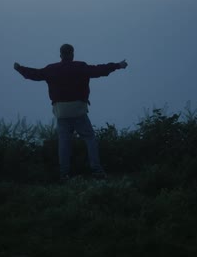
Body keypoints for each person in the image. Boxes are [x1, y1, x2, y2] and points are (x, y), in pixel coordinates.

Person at [14, 44, 128, 181]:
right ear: (72, 54)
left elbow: (35, 74)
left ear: (60, 55)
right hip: (78, 110)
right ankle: (96, 170)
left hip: (61, 112)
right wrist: (118, 65)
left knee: (64, 143)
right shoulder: (80, 67)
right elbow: (100, 70)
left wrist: (19, 68)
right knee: (90, 138)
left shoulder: (52, 69)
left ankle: (64, 174)